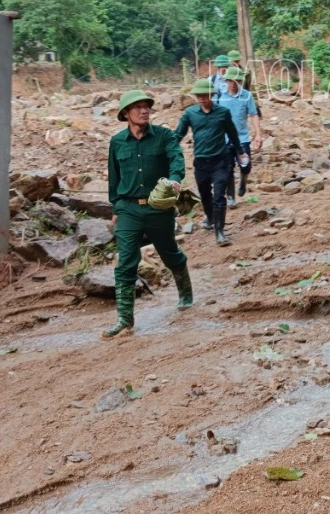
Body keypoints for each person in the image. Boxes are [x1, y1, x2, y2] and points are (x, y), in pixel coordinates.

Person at [102, 90, 192, 338]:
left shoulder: (163, 136)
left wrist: (174, 179)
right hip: (128, 209)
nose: (144, 111)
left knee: (169, 253)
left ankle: (185, 292)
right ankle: (124, 319)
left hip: (158, 208)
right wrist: (115, 208)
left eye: (147, 107)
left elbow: (176, 158)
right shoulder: (117, 142)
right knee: (126, 261)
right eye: (138, 107)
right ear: (125, 114)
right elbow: (114, 178)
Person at [174, 79, 242, 246]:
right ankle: (210, 219)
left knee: (219, 196)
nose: (202, 98)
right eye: (199, 96)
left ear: (211, 95)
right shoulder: (190, 114)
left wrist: (240, 152)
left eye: (205, 95)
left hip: (221, 161)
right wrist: (165, 149)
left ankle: (220, 232)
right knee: (205, 194)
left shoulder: (222, 113)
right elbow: (178, 135)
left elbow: (232, 134)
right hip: (201, 163)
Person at [217, 66, 262, 206]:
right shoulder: (220, 96)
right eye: (230, 80)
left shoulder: (247, 96)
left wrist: (258, 134)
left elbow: (253, 115)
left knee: (245, 165)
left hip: (242, 138)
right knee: (228, 168)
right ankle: (230, 196)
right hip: (224, 139)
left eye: (235, 80)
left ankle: (243, 181)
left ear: (240, 81)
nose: (232, 83)